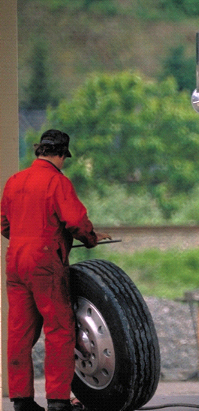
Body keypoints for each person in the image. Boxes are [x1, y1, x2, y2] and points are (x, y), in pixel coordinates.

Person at [1, 130, 111, 411]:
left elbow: (3, 224)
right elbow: (75, 220)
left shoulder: (14, 181)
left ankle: (22, 401)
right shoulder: (56, 182)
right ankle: (59, 401)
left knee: (19, 334)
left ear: (39, 150)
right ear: (61, 154)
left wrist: (25, 237)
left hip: (15, 261)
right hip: (45, 263)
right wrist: (91, 238)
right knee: (59, 331)